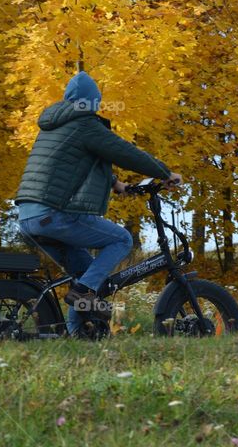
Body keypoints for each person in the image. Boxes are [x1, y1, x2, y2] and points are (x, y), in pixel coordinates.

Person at [15, 71, 181, 335]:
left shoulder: (53, 127)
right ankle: (83, 292)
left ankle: (76, 336)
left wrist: (116, 184)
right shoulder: (85, 124)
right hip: (54, 214)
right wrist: (164, 172)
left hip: (28, 216)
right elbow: (123, 152)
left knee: (86, 275)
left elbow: (73, 162)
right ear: (92, 101)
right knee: (121, 240)